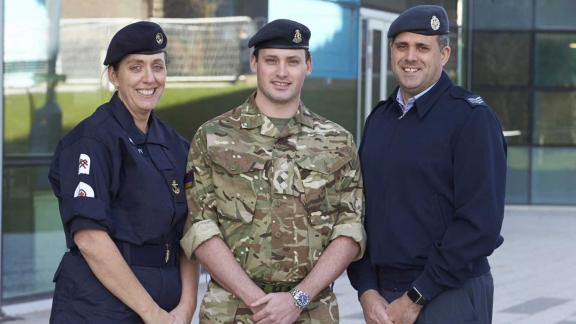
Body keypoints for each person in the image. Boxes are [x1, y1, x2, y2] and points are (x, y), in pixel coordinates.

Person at [180, 19, 366, 323]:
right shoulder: (212, 138)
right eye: (271, 60)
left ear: (308, 65)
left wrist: (297, 299)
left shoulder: (338, 142)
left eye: (293, 61)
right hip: (233, 312)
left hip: (313, 311)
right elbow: (200, 228)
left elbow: (349, 229)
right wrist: (260, 303)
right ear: (255, 63)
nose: (282, 72)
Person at [347, 5, 507, 324]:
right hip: (384, 295)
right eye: (402, 46)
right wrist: (365, 289)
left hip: (450, 293)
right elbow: (359, 209)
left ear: (444, 54)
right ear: (391, 51)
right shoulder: (379, 119)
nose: (411, 57)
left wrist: (417, 295)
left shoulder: (471, 119)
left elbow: (480, 225)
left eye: (423, 47)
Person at [49, 21, 199, 323]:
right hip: (100, 307)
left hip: (167, 305)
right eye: (135, 67)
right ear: (114, 76)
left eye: (157, 66)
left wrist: (186, 307)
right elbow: (90, 238)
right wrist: (152, 313)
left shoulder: (177, 145)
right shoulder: (92, 141)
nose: (149, 78)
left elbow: (190, 233)